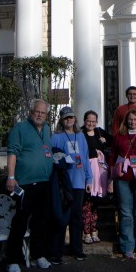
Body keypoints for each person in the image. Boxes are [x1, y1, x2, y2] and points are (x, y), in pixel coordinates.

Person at [4, 99, 54, 272]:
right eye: (37, 111)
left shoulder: (47, 129)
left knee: (41, 221)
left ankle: (38, 255)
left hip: (43, 182)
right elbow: (12, 152)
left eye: (43, 112)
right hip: (25, 183)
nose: (40, 115)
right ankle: (12, 260)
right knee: (20, 221)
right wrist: (11, 176)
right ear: (30, 112)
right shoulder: (20, 128)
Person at [50, 106, 92, 263]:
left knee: (76, 217)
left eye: (71, 117)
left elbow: (86, 157)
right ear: (61, 119)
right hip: (63, 182)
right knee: (61, 217)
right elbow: (52, 158)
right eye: (66, 118)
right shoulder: (56, 137)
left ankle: (77, 249)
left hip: (79, 182)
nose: (69, 120)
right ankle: (56, 251)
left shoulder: (80, 136)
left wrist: (89, 179)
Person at [108, 109, 136, 259]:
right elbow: (112, 156)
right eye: (130, 119)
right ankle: (127, 245)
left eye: (135, 120)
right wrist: (111, 179)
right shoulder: (119, 137)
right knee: (125, 212)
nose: (132, 122)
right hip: (123, 178)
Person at [81, 109, 111, 244]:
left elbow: (112, 141)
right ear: (84, 121)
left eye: (93, 121)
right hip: (87, 171)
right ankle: (86, 231)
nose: (91, 124)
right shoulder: (80, 133)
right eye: (88, 121)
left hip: (99, 171)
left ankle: (94, 230)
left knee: (95, 203)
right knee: (86, 203)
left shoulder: (99, 131)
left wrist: (105, 141)